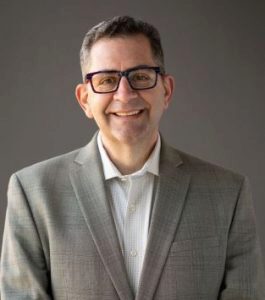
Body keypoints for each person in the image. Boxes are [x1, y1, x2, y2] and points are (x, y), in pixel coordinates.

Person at [0, 15, 264, 300]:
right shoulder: (33, 193)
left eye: (140, 76)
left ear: (166, 90)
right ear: (85, 99)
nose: (124, 95)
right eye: (107, 80)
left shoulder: (228, 193)